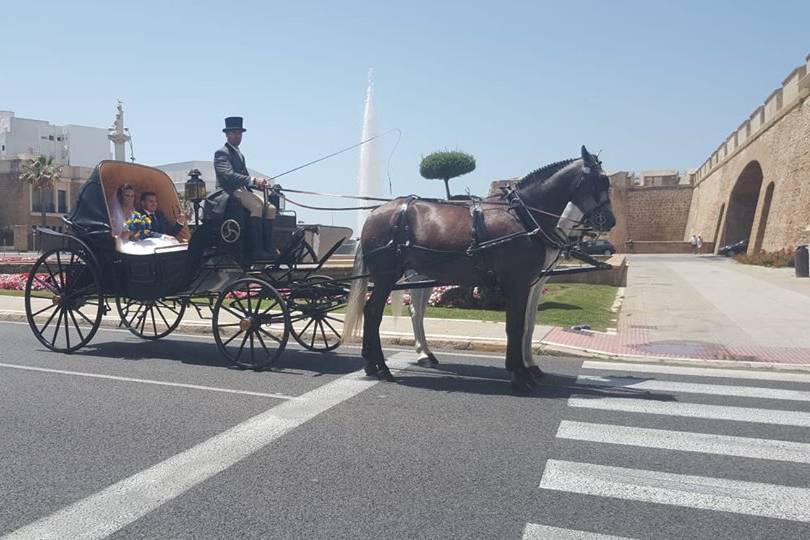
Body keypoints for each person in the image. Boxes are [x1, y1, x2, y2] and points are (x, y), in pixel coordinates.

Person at [213, 116, 277, 259]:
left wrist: (262, 184)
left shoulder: (239, 154)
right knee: (257, 207)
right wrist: (254, 180)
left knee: (271, 208)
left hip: (242, 190)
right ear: (227, 134)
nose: (237, 136)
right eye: (234, 133)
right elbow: (227, 175)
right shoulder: (222, 153)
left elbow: (246, 177)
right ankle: (256, 249)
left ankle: (268, 247)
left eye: (239, 133)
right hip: (228, 191)